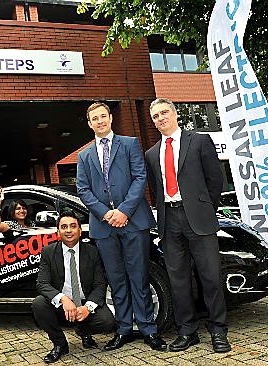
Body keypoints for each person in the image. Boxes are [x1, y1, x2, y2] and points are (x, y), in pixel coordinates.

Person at [76, 102, 166, 351]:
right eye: (95, 118)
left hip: (133, 221)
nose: (100, 121)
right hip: (104, 227)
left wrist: (124, 211)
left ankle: (148, 329)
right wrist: (106, 214)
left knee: (139, 277)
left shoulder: (129, 144)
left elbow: (140, 177)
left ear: (110, 118)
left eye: (103, 116)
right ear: (89, 123)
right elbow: (83, 189)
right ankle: (124, 329)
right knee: (116, 280)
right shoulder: (83, 156)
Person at [144, 98, 231, 353]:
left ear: (174, 114)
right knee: (178, 280)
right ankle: (187, 332)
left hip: (199, 220)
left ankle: (218, 331)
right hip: (169, 222)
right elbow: (155, 189)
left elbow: (215, 181)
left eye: (164, 113)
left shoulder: (199, 141)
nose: (160, 118)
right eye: (155, 116)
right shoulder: (151, 154)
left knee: (210, 277)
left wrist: (204, 209)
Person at [32, 210, 116, 363]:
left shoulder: (92, 252)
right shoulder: (48, 252)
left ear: (80, 230)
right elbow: (42, 283)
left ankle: (83, 331)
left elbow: (99, 285)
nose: (69, 230)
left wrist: (87, 308)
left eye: (72, 226)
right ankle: (60, 344)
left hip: (84, 302)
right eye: (64, 227)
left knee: (107, 321)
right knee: (38, 304)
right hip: (62, 305)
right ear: (58, 232)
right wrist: (63, 299)